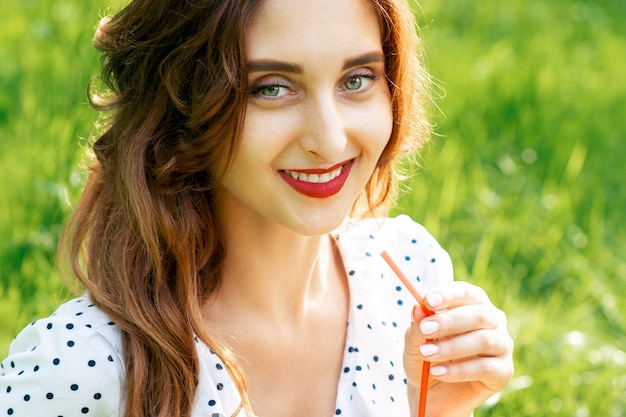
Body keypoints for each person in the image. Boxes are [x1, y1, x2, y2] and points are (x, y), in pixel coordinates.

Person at [0, 0, 514, 416]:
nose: (329, 139)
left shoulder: (409, 275)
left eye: (357, 78)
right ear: (183, 103)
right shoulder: (83, 368)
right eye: (272, 87)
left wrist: (439, 410)